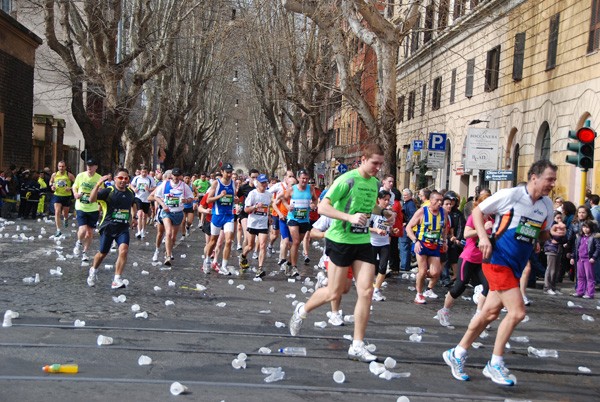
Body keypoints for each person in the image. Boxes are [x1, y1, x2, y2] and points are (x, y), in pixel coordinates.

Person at [443, 160, 558, 386]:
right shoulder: (512, 195)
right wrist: (484, 238)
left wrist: (552, 232)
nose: (552, 184)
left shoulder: (547, 205)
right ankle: (495, 363)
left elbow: (541, 234)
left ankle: (457, 352)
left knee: (489, 313)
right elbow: (477, 211)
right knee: (517, 312)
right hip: (497, 260)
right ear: (534, 177)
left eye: (554, 180)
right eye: (549, 179)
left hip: (515, 265)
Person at [288, 144, 395, 363]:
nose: (378, 168)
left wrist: (384, 211)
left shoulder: (375, 184)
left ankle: (357, 345)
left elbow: (367, 207)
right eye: (375, 163)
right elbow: (323, 208)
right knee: (334, 293)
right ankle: (302, 309)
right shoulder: (347, 180)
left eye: (381, 164)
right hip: (340, 241)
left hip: (363, 241)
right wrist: (349, 218)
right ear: (363, 160)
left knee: (366, 291)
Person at [437, 194, 493, 327]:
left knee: (488, 286)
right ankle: (444, 311)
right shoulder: (475, 217)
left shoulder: (491, 220)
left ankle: (479, 314)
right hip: (469, 258)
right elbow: (466, 234)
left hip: (483, 260)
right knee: (459, 287)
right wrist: (482, 229)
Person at [86, 168, 137, 289]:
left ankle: (116, 279)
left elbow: (133, 203)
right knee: (103, 253)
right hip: (108, 227)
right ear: (115, 179)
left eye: (126, 178)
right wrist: (98, 184)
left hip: (123, 227)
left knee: (124, 250)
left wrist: (134, 217)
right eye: (120, 178)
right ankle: (93, 270)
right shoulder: (108, 191)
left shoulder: (130, 192)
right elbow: (92, 199)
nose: (123, 181)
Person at [406, 191, 448, 303]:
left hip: (434, 245)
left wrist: (444, 241)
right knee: (423, 270)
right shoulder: (422, 212)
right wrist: (415, 241)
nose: (440, 203)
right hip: (422, 245)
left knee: (435, 273)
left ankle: (419, 276)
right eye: (437, 200)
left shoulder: (444, 212)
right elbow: (408, 228)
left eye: (441, 200)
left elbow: (444, 228)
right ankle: (419, 294)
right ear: (431, 200)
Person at [153, 168, 194, 266]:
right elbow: (155, 196)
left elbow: (191, 197)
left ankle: (169, 251)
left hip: (178, 212)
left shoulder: (184, 186)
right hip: (167, 212)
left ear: (180, 176)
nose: (176, 177)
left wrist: (186, 201)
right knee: (168, 232)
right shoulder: (165, 184)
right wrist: (163, 205)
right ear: (171, 176)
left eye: (177, 175)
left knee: (173, 237)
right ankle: (166, 255)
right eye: (174, 175)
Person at [281, 169, 318, 277]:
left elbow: (315, 199)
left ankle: (289, 262)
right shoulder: (292, 189)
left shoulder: (310, 189)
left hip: (304, 220)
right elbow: (283, 199)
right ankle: (294, 267)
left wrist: (313, 205)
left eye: (307, 179)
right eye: (303, 178)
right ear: (298, 178)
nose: (305, 181)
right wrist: (287, 206)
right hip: (293, 219)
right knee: (296, 241)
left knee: (296, 244)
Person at [203, 163, 238, 274]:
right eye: (227, 172)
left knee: (228, 241)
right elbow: (208, 200)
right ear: (222, 172)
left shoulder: (233, 184)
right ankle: (207, 260)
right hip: (217, 215)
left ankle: (224, 266)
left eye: (230, 172)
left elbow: (233, 198)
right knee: (213, 241)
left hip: (229, 215)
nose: (229, 174)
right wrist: (220, 196)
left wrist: (235, 200)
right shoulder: (216, 184)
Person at [239, 174, 272, 278]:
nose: (264, 184)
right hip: (253, 222)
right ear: (257, 183)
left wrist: (269, 216)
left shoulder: (268, 194)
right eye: (262, 183)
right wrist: (255, 206)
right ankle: (243, 255)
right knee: (250, 246)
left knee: (262, 245)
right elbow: (246, 209)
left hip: (263, 223)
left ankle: (260, 268)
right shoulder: (252, 194)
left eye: (265, 182)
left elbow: (268, 207)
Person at [370, 190, 399, 301]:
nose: (386, 202)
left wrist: (393, 231)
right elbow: (366, 228)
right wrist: (376, 230)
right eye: (384, 200)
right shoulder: (374, 213)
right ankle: (369, 287)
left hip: (385, 243)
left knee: (383, 267)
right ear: (379, 200)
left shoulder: (388, 213)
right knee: (372, 268)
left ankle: (376, 290)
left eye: (388, 200)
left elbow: (388, 228)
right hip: (373, 242)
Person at [72, 159, 103, 262]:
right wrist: (75, 194)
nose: (89, 167)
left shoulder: (99, 178)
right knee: (83, 229)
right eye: (88, 165)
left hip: (93, 208)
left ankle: (84, 252)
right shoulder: (80, 176)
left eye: (92, 165)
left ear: (96, 167)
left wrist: (99, 192)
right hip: (81, 207)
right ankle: (79, 242)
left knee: (90, 233)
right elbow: (74, 187)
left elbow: (102, 191)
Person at [570, 221, 599, 299]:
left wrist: (593, 257)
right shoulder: (579, 237)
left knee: (590, 277)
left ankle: (590, 293)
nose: (585, 229)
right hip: (580, 258)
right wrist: (572, 257)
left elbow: (598, 248)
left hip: (588, 259)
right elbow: (576, 248)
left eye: (587, 227)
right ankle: (580, 291)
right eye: (584, 227)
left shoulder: (594, 237)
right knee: (580, 276)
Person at [49, 161, 76, 237]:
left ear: (65, 167)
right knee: (57, 211)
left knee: (65, 213)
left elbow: (77, 183)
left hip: (66, 196)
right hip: (57, 195)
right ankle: (58, 230)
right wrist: (52, 186)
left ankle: (66, 218)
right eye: (60, 166)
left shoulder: (69, 175)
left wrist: (70, 188)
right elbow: (50, 182)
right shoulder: (54, 175)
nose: (61, 168)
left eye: (63, 166)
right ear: (57, 167)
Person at [543, 211, 567, 295]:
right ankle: (547, 287)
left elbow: (564, 238)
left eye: (561, 218)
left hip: (558, 248)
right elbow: (556, 237)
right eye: (558, 218)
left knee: (556, 269)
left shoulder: (561, 227)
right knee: (551, 269)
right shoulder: (552, 226)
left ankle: (553, 286)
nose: (559, 220)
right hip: (551, 248)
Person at [130, 166, 156, 239]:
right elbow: (131, 185)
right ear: (140, 171)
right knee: (140, 213)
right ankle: (138, 231)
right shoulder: (137, 178)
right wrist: (134, 189)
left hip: (146, 199)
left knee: (144, 216)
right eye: (142, 172)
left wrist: (149, 189)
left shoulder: (150, 178)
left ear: (147, 172)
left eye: (145, 172)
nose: (144, 173)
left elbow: (155, 187)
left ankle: (143, 230)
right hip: (138, 197)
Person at [400, 189, 417, 272]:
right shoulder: (408, 203)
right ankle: (405, 265)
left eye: (406, 195)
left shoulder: (410, 204)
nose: (404, 197)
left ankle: (404, 266)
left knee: (404, 246)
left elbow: (413, 215)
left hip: (406, 228)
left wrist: (407, 224)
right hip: (407, 227)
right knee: (405, 247)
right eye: (403, 195)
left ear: (410, 196)